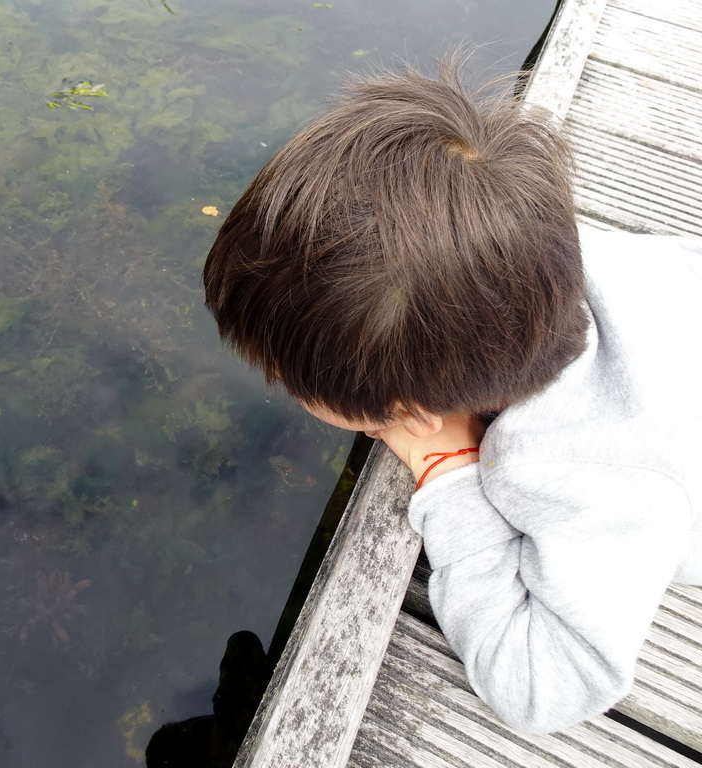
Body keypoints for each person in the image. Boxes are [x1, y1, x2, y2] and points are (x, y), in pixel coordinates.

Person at [202, 59, 702, 734]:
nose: (276, 384)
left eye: (287, 380)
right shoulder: (550, 254)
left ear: (410, 414)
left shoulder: (580, 474)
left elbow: (547, 689)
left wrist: (449, 473)